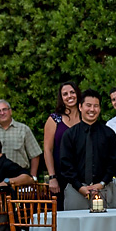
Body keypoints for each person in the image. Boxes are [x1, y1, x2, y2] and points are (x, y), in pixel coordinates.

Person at [60, 90, 116, 210]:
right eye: (88, 105)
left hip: (104, 189)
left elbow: (114, 163)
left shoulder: (108, 134)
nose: (92, 109)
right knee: (75, 227)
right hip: (76, 191)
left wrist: (102, 183)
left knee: (108, 227)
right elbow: (66, 164)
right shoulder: (70, 134)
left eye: (96, 106)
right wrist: (79, 187)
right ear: (80, 107)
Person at [44, 81, 80, 210]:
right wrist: (52, 177)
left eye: (72, 92)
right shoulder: (54, 119)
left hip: (82, 175)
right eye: (65, 94)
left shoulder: (86, 117)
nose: (69, 96)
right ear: (61, 98)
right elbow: (47, 150)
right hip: (60, 176)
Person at [0, 99, 42, 178]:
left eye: (4, 109)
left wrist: (33, 176)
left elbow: (35, 154)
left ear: (10, 111)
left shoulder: (24, 129)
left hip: (20, 177)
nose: (2, 113)